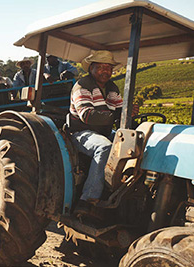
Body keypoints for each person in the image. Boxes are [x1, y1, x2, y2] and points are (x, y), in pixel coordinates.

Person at [69, 50, 123, 218]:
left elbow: (120, 112)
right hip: (81, 132)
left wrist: (129, 111)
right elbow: (87, 115)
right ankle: (88, 199)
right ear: (91, 68)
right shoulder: (82, 86)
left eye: (108, 67)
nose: (105, 71)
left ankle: (121, 190)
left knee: (135, 143)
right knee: (105, 147)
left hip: (105, 132)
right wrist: (116, 115)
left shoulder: (112, 88)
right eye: (100, 67)